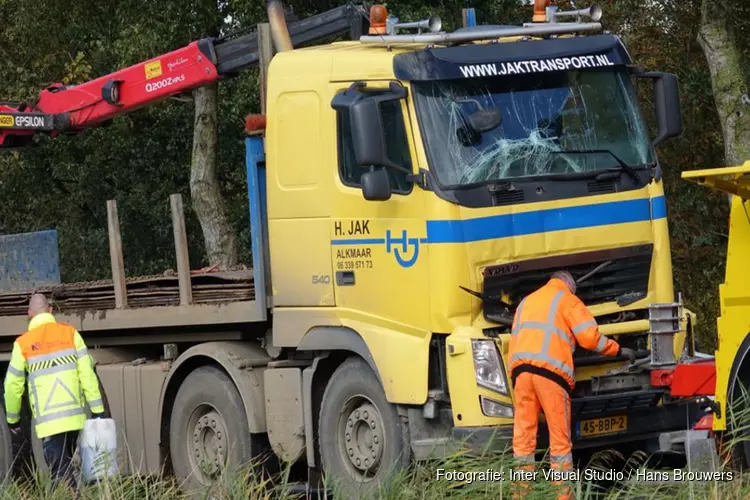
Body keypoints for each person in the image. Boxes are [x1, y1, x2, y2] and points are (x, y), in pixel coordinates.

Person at [508, 270, 636, 500]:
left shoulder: (527, 301)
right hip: (551, 376)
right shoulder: (567, 299)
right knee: (560, 444)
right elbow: (589, 337)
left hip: (521, 375)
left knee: (523, 442)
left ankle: (520, 495)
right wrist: (617, 349)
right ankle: (562, 496)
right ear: (569, 285)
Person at [3, 293, 105, 493]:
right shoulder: (71, 333)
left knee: (61, 475)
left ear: (29, 314)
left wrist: (13, 420)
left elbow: (12, 386)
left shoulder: (23, 343)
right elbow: (87, 374)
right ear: (51, 310)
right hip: (75, 419)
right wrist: (97, 410)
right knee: (64, 471)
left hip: (49, 424)